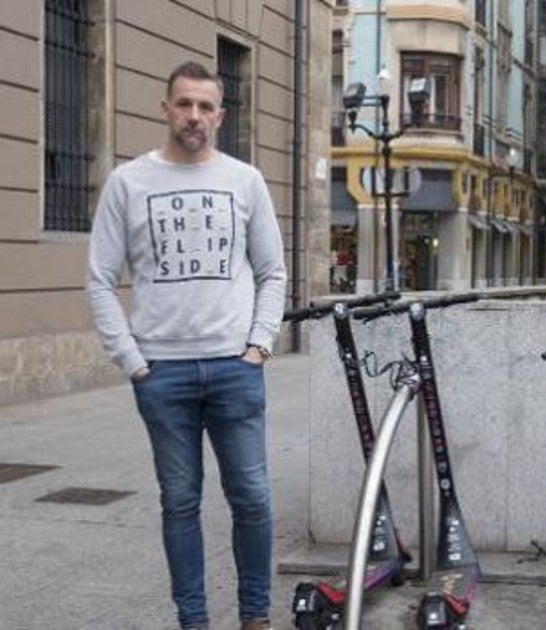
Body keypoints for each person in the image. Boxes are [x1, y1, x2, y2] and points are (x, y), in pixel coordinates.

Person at [86, 61, 287, 630]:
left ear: (219, 116)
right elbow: (100, 278)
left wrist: (259, 346)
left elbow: (273, 272)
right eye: (184, 104)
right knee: (179, 504)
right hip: (162, 375)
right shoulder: (128, 183)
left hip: (234, 367)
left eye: (205, 106)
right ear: (165, 108)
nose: (193, 116)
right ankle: (193, 621)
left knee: (252, 498)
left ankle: (255, 618)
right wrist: (132, 361)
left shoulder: (244, 181)